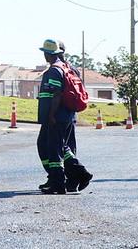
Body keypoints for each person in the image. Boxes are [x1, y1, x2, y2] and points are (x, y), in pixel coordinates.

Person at [35, 39, 92, 194]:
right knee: (63, 148)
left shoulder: (54, 70)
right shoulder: (70, 69)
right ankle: (72, 179)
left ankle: (60, 181)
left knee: (51, 148)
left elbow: (56, 94)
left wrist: (51, 115)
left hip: (56, 117)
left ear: (49, 54)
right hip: (68, 116)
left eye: (46, 53)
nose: (45, 56)